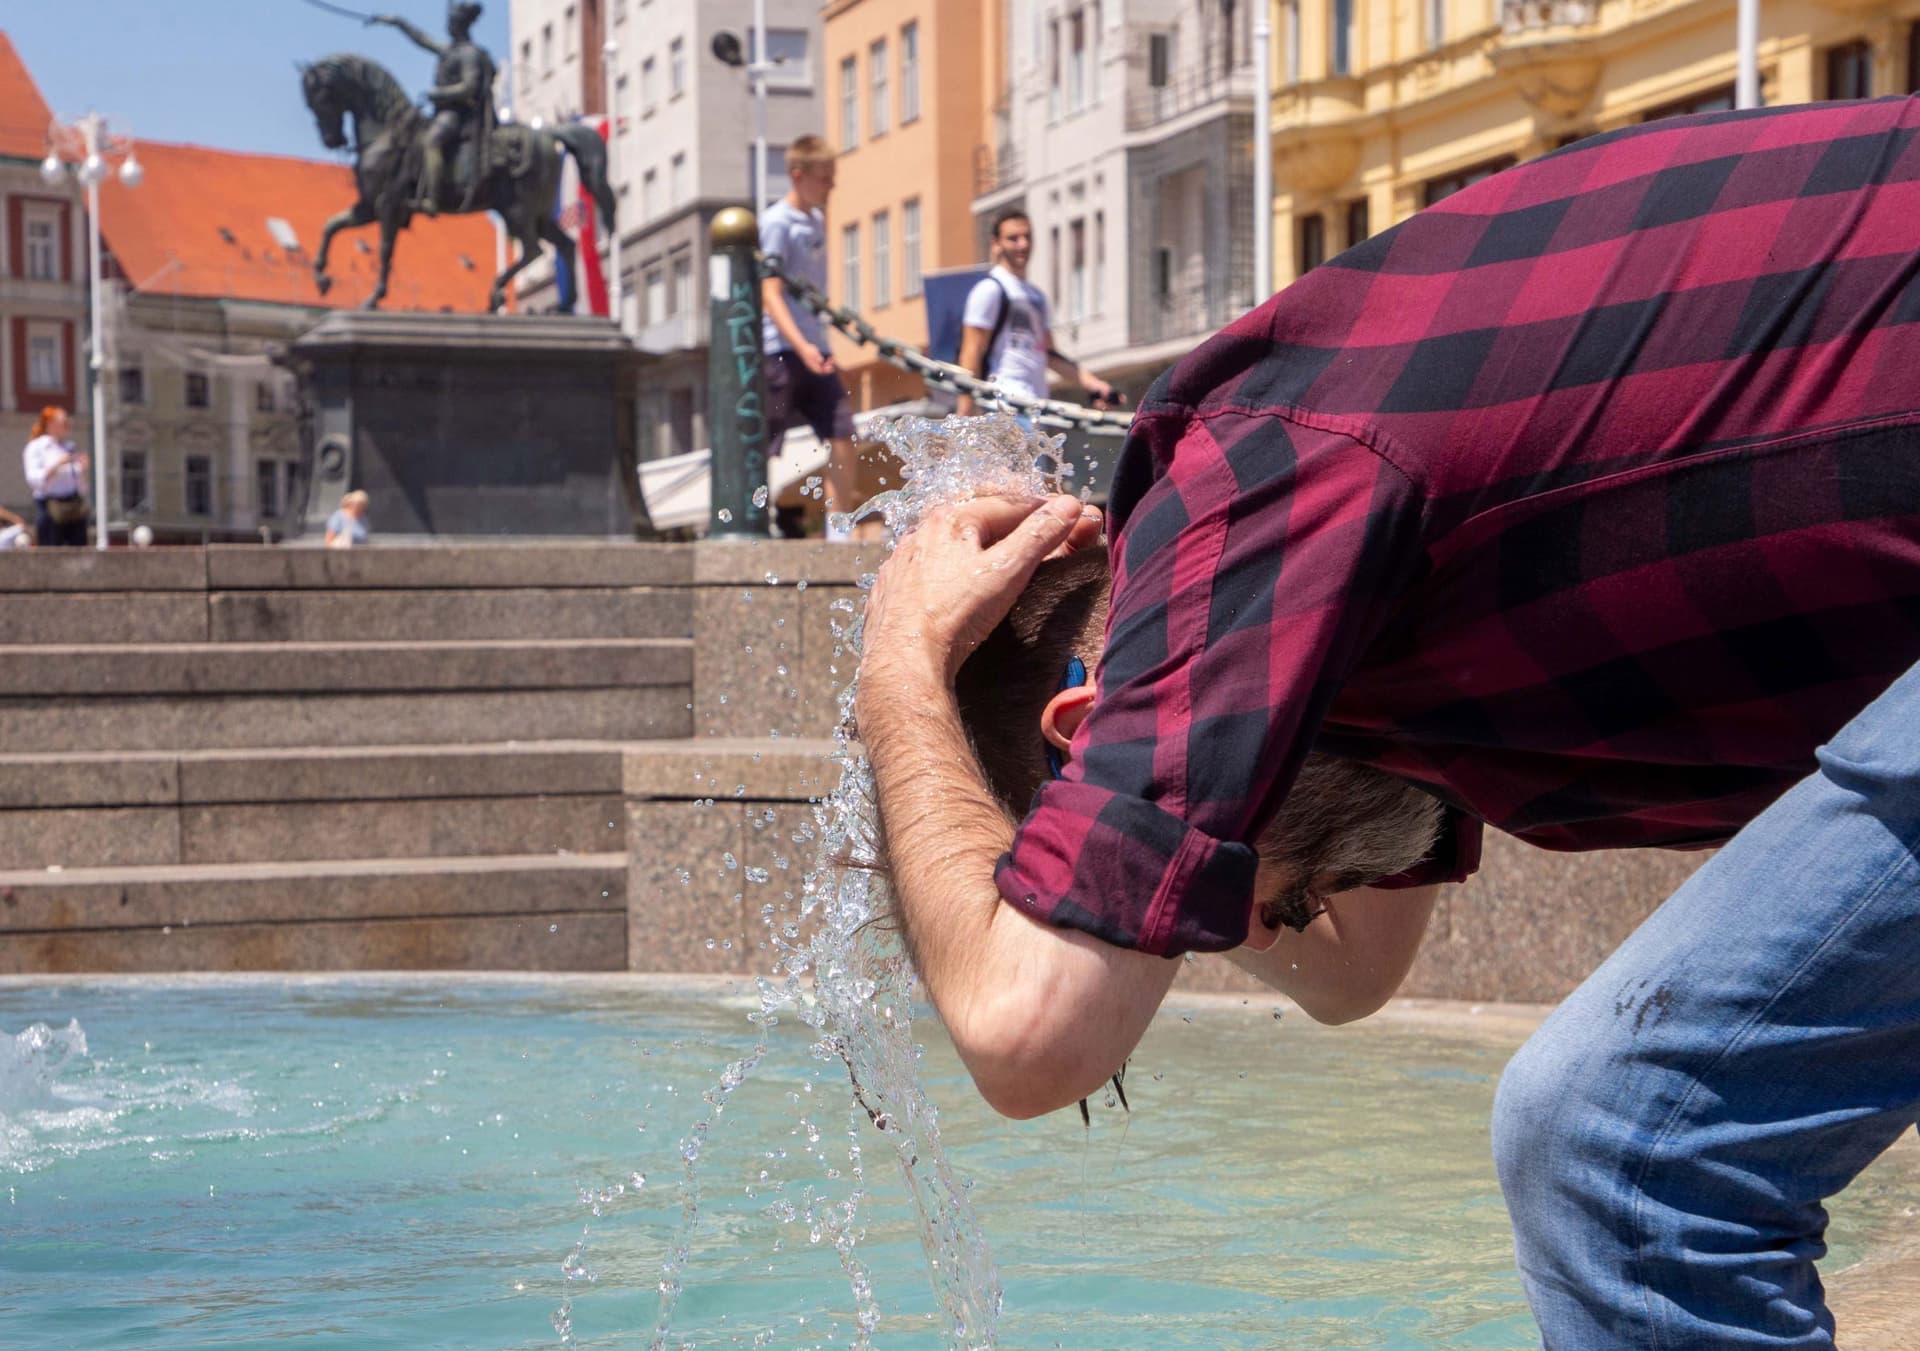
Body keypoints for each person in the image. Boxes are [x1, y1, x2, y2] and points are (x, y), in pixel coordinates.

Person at [857, 95, 1920, 1350]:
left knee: (1620, 1148)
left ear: (1086, 726)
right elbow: (1353, 975)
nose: (1228, 915)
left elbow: (1026, 1038)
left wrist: (898, 671)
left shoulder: (1243, 501)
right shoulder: (1354, 632)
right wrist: (1187, 868)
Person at [759, 135, 862, 541]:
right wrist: (801, 347)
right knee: (765, 438)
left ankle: (838, 531)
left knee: (842, 432)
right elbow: (770, 293)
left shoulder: (817, 220)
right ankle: (758, 519)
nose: (831, 186)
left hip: (815, 348)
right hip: (781, 349)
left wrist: (820, 343)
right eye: (824, 178)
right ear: (797, 176)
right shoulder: (776, 224)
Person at [954, 210, 1117, 418]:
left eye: (1027, 237)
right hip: (1003, 403)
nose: (1023, 244)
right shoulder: (989, 289)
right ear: (996, 243)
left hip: (1035, 406)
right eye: (1013, 238)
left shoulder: (1037, 296)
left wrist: (1094, 385)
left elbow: (1049, 354)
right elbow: (971, 352)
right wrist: (965, 412)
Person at [368, 2, 495, 216]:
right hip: (442, 112)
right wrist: (397, 22)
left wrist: (440, 94)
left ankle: (433, 198)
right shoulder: (449, 50)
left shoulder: (469, 54)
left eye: (452, 23)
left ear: (461, 25)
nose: (449, 27)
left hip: (458, 114)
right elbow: (421, 39)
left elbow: (469, 87)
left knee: (431, 141)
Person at [21, 407, 88, 547]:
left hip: (73, 505)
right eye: (63, 421)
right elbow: (34, 478)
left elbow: (79, 483)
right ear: (50, 424)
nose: (68, 424)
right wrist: (57, 465)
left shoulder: (68, 446)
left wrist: (83, 469)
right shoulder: (37, 447)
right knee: (50, 548)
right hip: (50, 507)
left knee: (79, 549)